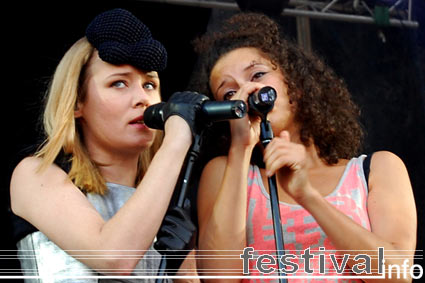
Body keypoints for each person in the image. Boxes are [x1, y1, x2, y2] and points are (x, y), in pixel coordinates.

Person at [190, 12, 417, 282]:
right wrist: (241, 149)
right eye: (229, 93)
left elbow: (398, 274)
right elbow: (218, 277)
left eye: (258, 75)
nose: (246, 92)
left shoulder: (375, 169)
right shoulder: (226, 173)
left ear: (295, 84)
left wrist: (307, 196)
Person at [10, 8, 200, 281]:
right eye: (119, 83)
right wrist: (177, 141)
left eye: (149, 85)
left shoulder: (164, 199)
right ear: (77, 102)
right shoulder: (35, 174)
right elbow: (114, 257)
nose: (142, 99)